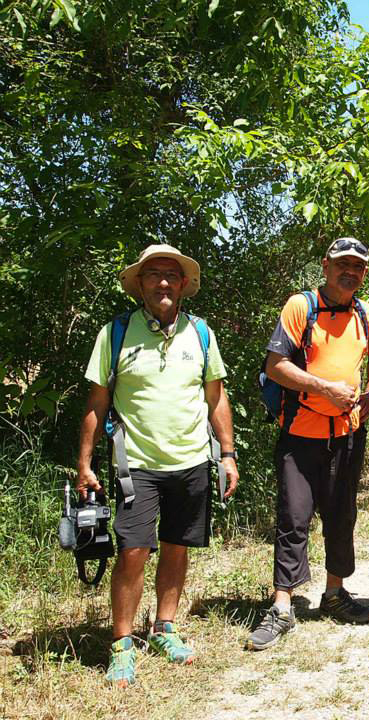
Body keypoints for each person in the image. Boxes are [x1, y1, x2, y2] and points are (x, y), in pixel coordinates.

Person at [75, 244, 239, 687]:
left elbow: (216, 397)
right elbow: (97, 402)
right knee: (132, 551)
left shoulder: (201, 333)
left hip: (190, 462)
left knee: (177, 545)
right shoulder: (115, 334)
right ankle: (122, 643)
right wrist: (85, 463)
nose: (163, 282)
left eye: (171, 275)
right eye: (154, 275)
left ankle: (165, 626)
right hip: (136, 466)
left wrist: (227, 454)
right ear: (140, 285)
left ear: (184, 284)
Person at [246, 237, 369, 651]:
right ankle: (282, 607)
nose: (349, 271)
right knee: (294, 517)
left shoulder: (366, 314)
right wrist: (325, 388)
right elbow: (276, 365)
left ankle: (334, 595)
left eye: (357, 266)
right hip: (300, 435)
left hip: (347, 436)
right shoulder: (300, 306)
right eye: (342, 264)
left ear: (364, 273)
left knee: (342, 517)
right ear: (325, 266)